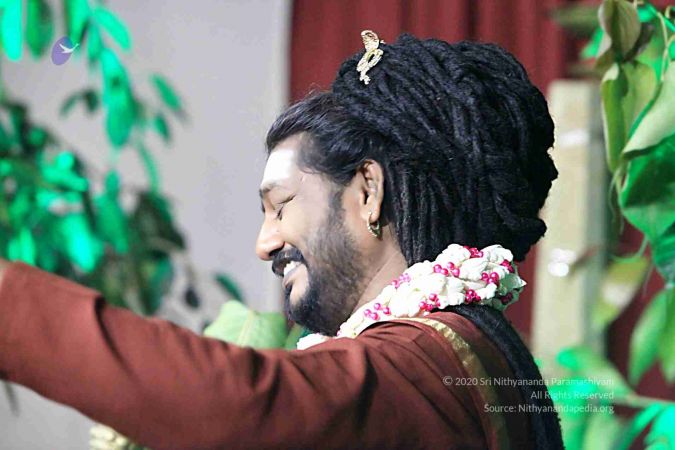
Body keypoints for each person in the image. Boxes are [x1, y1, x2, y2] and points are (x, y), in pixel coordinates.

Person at [0, 31, 563, 449]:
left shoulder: (418, 364)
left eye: (281, 205)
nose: (264, 243)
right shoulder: (464, 349)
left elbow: (239, 405)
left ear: (368, 192)